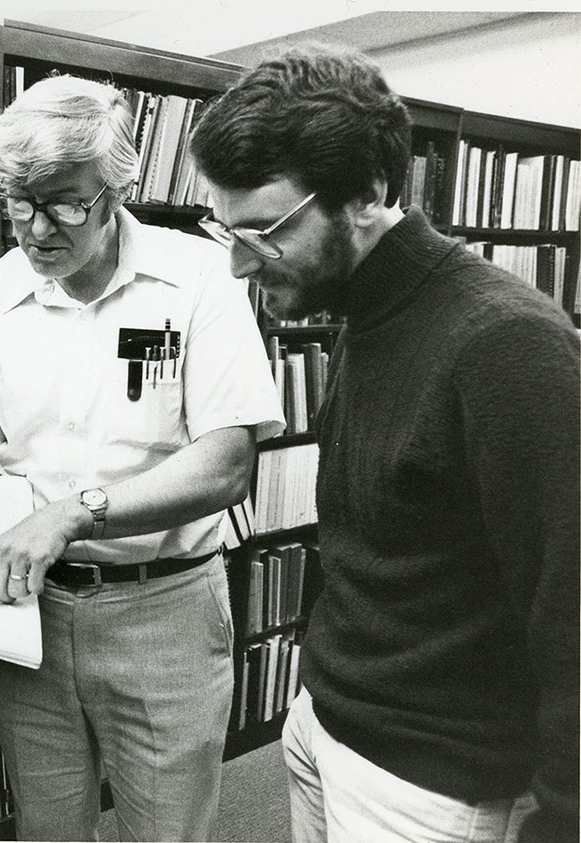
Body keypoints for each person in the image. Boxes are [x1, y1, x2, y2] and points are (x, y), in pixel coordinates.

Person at [188, 42, 580, 843]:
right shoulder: (366, 310)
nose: (235, 264)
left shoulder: (506, 344)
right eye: (224, 228)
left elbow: (571, 604)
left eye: (261, 232)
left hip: (432, 781)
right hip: (325, 726)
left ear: (366, 194)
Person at [0, 74, 285, 841]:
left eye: (64, 203)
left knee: (166, 829)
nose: (34, 229)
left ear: (119, 186)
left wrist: (73, 514)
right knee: (47, 825)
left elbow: (227, 463)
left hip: (162, 609)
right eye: (16, 203)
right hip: (28, 610)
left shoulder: (200, 282)